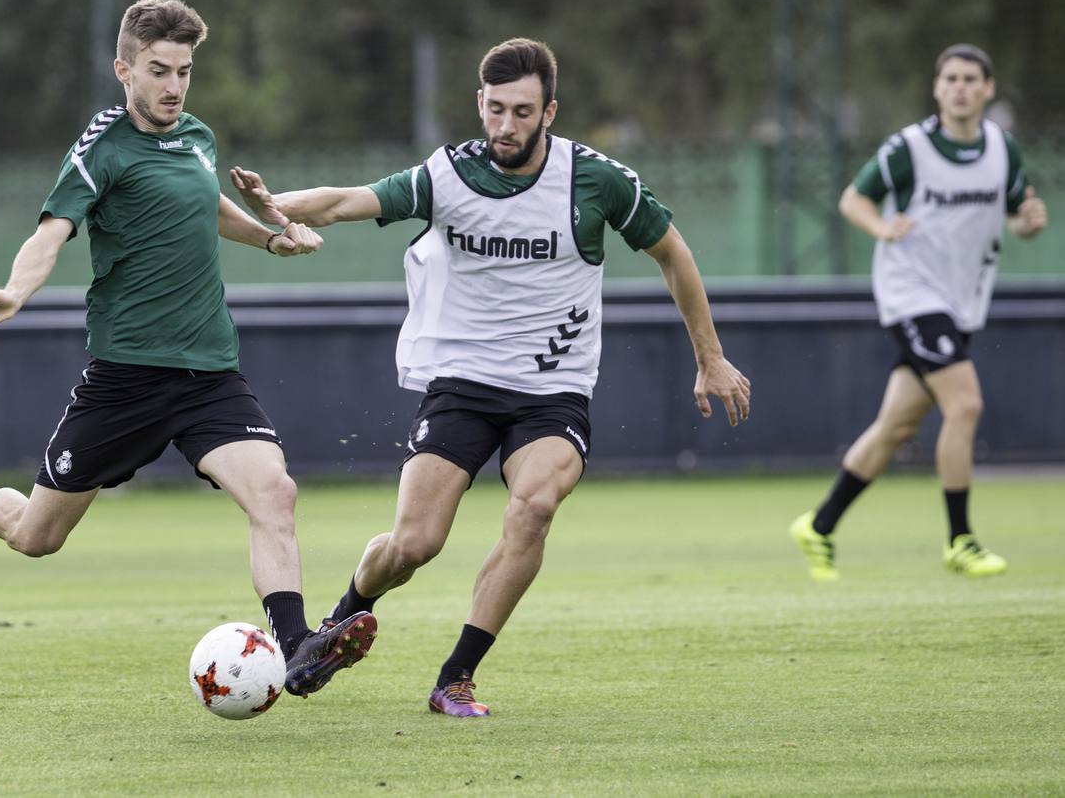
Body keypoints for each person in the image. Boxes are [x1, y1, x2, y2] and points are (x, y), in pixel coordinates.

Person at [231, 37, 751, 717]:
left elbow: (673, 253)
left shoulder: (594, 180)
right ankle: (338, 623)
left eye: (522, 112)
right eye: (496, 109)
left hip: (552, 391)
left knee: (533, 507)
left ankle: (455, 677)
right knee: (414, 543)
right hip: (462, 385)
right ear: (479, 103)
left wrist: (710, 357)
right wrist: (281, 205)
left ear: (550, 112)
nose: (506, 126)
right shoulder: (448, 175)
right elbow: (348, 201)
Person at [0, 0, 375, 696]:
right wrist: (14, 292)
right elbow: (50, 233)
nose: (173, 86)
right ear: (124, 69)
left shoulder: (198, 137)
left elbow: (206, 206)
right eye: (158, 70)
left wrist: (271, 238)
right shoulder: (100, 149)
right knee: (35, 535)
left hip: (208, 371)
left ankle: (298, 646)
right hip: (125, 381)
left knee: (276, 493)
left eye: (184, 71)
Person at [790, 43, 1048, 582]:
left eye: (970, 79)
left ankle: (820, 524)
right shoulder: (910, 148)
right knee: (967, 404)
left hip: (960, 303)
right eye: (949, 78)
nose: (959, 87)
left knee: (897, 425)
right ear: (937, 88)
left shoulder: (1003, 150)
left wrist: (1030, 222)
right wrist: (882, 227)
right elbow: (852, 199)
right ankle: (961, 540)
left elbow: (1019, 218)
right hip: (911, 294)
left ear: (987, 89)